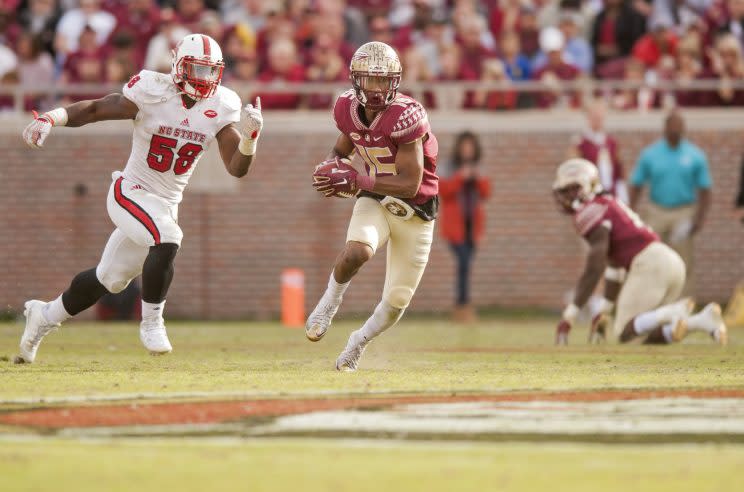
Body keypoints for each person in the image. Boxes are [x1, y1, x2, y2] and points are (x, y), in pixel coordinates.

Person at [16, 34, 264, 364]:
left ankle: (44, 316)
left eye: (210, 72)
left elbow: (237, 168)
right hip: (130, 192)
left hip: (164, 204)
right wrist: (52, 117)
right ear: (178, 66)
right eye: (196, 71)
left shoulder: (222, 105)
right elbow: (94, 109)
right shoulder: (152, 90)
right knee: (169, 236)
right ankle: (152, 322)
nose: (204, 81)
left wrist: (249, 140)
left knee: (111, 279)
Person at [306, 41, 439, 371]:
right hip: (377, 199)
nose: (377, 89)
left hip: (416, 210)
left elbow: (409, 182)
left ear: (395, 81)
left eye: (383, 80)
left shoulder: (406, 115)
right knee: (358, 251)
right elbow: (342, 148)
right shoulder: (346, 109)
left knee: (397, 301)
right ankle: (329, 302)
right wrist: (330, 168)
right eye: (370, 80)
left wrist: (357, 181)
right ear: (356, 80)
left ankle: (358, 341)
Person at [553, 159, 727, 346]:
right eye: (564, 191)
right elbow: (614, 268)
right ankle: (702, 320)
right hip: (669, 262)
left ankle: (673, 312)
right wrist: (603, 311)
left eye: (574, 188)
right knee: (640, 337)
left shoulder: (590, 211)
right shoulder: (608, 203)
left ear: (591, 185)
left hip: (650, 265)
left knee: (623, 331)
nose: (568, 196)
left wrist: (569, 315)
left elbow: (594, 270)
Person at [629, 111, 712, 297]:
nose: (675, 130)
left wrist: (699, 219)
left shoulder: (694, 155)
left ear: (684, 129)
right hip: (656, 210)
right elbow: (636, 185)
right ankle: (652, 302)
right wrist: (631, 213)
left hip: (683, 211)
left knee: (682, 259)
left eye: (679, 126)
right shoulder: (651, 154)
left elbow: (705, 190)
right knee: (652, 257)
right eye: (672, 126)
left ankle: (682, 305)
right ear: (665, 128)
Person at [439, 131, 490, 322]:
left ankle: (462, 305)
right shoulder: (449, 167)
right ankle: (462, 305)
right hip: (455, 228)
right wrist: (460, 177)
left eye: (470, 147)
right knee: (463, 264)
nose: (467, 151)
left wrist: (476, 177)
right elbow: (443, 191)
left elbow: (486, 192)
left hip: (473, 228)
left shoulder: (479, 167)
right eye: (464, 147)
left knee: (466, 266)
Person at [569, 99, 628, 203]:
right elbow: (574, 173)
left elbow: (619, 170)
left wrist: (623, 195)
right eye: (594, 116)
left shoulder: (611, 142)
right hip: (590, 196)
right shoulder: (580, 144)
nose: (598, 119)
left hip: (610, 193)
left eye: (600, 116)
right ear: (588, 118)